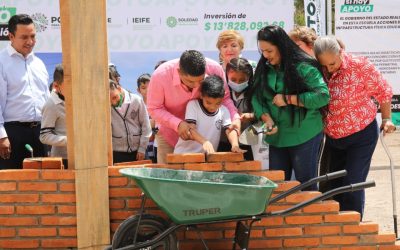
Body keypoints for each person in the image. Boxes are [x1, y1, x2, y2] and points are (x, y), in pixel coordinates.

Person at [313, 36, 395, 217]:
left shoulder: (360, 66)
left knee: (353, 182)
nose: (329, 69)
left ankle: (354, 227)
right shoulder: (318, 69)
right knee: (333, 185)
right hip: (333, 138)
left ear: (340, 52)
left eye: (332, 64)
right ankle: (338, 227)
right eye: (324, 65)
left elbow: (383, 91)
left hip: (362, 134)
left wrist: (387, 119)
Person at [249, 25, 330, 189]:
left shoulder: (304, 67)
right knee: (278, 187)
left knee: (306, 186)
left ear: (282, 46)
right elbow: (257, 98)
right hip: (277, 139)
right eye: (262, 51)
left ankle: (309, 215)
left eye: (269, 51)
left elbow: (322, 96)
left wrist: (289, 99)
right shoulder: (264, 68)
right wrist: (266, 118)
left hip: (305, 134)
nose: (265, 56)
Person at [147, 50, 240, 164]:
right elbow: (154, 108)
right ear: (179, 72)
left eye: (201, 80)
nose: (197, 86)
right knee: (168, 175)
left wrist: (235, 118)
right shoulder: (160, 76)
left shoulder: (214, 69)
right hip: (169, 133)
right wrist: (178, 124)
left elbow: (225, 98)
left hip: (202, 135)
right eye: (190, 81)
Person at [0, 14, 49, 169]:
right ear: (11, 36)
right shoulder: (1, 62)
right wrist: (2, 137)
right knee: (10, 186)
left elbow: (46, 100)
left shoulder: (39, 64)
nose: (30, 42)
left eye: (33, 36)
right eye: (24, 37)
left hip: (40, 133)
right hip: (12, 134)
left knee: (40, 184)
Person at [174, 75, 244, 154]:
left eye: (217, 103)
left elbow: (229, 130)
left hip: (207, 157)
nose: (212, 107)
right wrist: (204, 141)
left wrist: (235, 145)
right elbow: (190, 129)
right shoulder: (193, 105)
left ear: (223, 96)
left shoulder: (224, 111)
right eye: (208, 102)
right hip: (184, 154)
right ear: (201, 95)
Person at [217, 58, 255, 160]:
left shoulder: (254, 94)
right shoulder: (221, 93)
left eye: (242, 80)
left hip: (247, 142)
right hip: (222, 141)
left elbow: (264, 113)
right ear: (226, 76)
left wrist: (251, 116)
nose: (237, 83)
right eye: (233, 80)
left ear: (249, 78)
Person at [109, 80, 152, 164]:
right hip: (118, 154)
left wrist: (142, 148)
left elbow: (146, 126)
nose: (113, 102)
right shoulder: (106, 106)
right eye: (110, 100)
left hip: (139, 152)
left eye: (115, 97)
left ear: (119, 89)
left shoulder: (136, 100)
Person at [40, 64, 68, 168]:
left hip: (85, 156)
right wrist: (70, 141)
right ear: (56, 86)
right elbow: (44, 136)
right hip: (63, 159)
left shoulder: (81, 99)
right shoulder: (51, 104)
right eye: (68, 84)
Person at [137, 73, 157, 163]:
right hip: (144, 146)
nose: (147, 90)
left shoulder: (158, 105)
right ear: (138, 90)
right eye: (144, 88)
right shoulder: (137, 106)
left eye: (150, 87)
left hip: (156, 144)